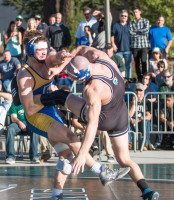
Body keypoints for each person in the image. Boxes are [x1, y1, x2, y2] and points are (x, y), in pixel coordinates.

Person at [9, 30, 130, 199]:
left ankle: (56, 194)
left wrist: (62, 55)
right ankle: (101, 172)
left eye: (45, 48)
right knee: (71, 137)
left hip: (48, 107)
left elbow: (56, 57)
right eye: (39, 49)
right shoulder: (25, 74)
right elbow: (29, 108)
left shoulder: (47, 59)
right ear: (29, 50)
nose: (44, 52)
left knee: (65, 155)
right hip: (35, 116)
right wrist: (53, 96)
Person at [41, 45, 159, 199]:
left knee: (61, 96)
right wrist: (60, 68)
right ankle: (147, 191)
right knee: (124, 159)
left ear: (81, 78)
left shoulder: (92, 89)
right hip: (121, 115)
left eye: (72, 77)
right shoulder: (103, 58)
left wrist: (83, 154)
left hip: (105, 118)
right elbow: (81, 48)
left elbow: (93, 124)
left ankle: (34, 101)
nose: (70, 79)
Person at [128, 83, 152, 151]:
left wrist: (140, 119)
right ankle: (128, 144)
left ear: (143, 91)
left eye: (140, 90)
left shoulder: (147, 102)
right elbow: (129, 116)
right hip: (132, 123)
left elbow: (149, 116)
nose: (138, 92)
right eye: (136, 90)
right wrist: (133, 105)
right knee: (126, 121)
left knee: (146, 122)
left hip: (141, 122)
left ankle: (145, 144)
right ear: (134, 91)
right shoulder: (129, 102)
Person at [129, 7, 150, 81]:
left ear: (140, 12)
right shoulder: (131, 23)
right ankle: (139, 78)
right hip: (135, 46)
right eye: (134, 12)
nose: (135, 14)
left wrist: (136, 31)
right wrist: (140, 32)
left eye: (136, 12)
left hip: (144, 45)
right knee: (136, 63)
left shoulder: (145, 21)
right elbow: (131, 33)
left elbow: (146, 30)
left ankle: (145, 77)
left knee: (144, 61)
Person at [111, 10, 132, 78]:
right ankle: (118, 78)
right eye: (122, 16)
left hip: (128, 49)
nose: (123, 17)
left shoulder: (130, 25)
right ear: (119, 16)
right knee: (117, 65)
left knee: (128, 66)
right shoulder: (115, 25)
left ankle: (128, 79)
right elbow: (112, 35)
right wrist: (113, 44)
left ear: (127, 17)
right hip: (118, 49)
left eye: (125, 16)